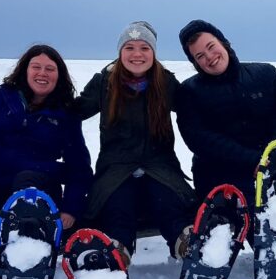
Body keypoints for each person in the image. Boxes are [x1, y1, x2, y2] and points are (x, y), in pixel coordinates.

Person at [0, 44, 93, 274]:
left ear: (59, 76)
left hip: (37, 193)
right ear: (25, 69)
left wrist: (71, 208)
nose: (42, 73)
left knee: (27, 185)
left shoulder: (66, 113)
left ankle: (25, 254)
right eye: (36, 67)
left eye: (50, 69)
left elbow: (79, 166)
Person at [74, 21, 195, 265]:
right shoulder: (104, 82)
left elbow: (196, 111)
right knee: (118, 203)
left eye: (144, 48)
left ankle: (188, 243)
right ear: (120, 52)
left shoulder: (166, 82)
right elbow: (73, 112)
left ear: (153, 53)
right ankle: (116, 250)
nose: (137, 54)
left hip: (160, 166)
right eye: (129, 47)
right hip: (116, 168)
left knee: (168, 201)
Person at [176, 20, 276, 208]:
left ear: (223, 42)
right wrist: (253, 161)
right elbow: (200, 140)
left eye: (211, 46)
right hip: (221, 175)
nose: (210, 57)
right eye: (200, 55)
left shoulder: (266, 73)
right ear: (195, 62)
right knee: (250, 222)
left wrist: (272, 154)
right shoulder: (189, 92)